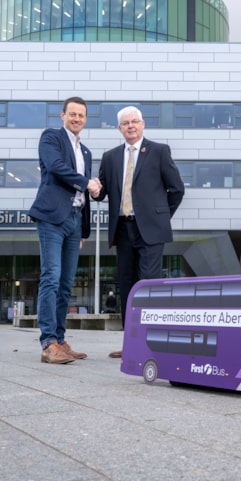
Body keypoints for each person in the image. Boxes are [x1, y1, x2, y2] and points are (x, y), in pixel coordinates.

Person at [94, 106, 184, 357]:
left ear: (142, 124)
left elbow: (176, 189)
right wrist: (93, 188)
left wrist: (159, 217)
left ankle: (150, 343)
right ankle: (130, 344)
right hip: (122, 230)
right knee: (127, 286)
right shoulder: (110, 156)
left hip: (151, 232)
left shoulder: (159, 151)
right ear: (119, 128)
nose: (131, 126)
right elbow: (102, 193)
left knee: (148, 286)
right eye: (125, 123)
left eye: (135, 122)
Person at [29, 97, 101, 364]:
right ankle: (48, 343)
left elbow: (84, 194)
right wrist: (87, 182)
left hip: (74, 221)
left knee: (65, 283)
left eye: (81, 115)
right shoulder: (51, 138)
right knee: (51, 277)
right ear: (63, 115)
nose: (77, 119)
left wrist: (83, 230)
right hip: (52, 218)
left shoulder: (86, 152)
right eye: (72, 114)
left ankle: (60, 339)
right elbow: (56, 168)